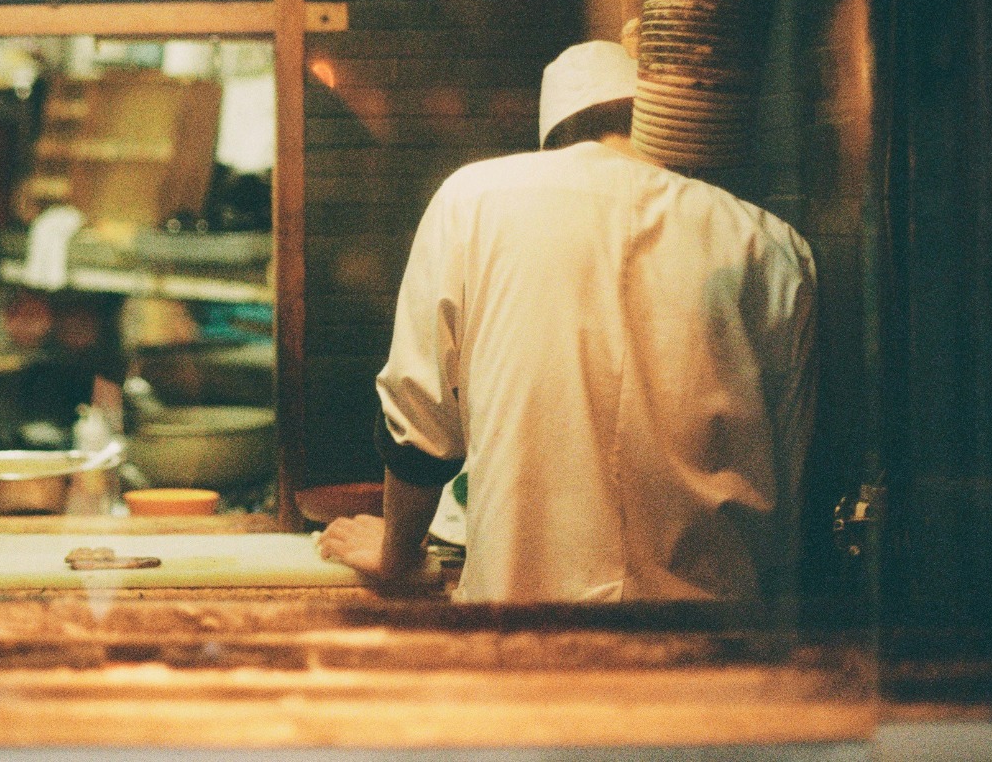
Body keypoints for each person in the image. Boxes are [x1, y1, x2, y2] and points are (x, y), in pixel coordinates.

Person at [318, 40, 816, 603]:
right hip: (716, 632)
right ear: (655, 121)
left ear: (551, 139)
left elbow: (419, 426)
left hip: (523, 620)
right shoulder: (769, 242)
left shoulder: (473, 200)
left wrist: (399, 559)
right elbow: (793, 466)